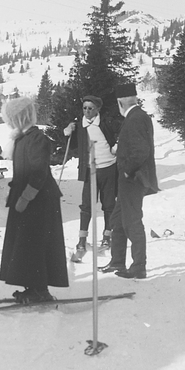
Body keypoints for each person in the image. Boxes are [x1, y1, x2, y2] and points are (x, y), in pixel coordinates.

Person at [0, 96, 71, 302]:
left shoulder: (37, 139)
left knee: (37, 245)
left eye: (12, 118)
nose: (9, 123)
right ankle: (33, 286)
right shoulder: (21, 139)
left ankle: (41, 290)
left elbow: (38, 173)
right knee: (26, 245)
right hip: (27, 200)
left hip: (39, 200)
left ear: (21, 117)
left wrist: (25, 197)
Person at [102, 82, 159, 279]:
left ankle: (138, 267)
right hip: (132, 179)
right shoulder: (137, 117)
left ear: (120, 103)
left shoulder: (135, 119)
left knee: (132, 222)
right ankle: (117, 261)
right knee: (117, 220)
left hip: (133, 179)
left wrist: (127, 170)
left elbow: (140, 150)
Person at [63, 94, 119, 262]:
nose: (87, 112)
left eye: (90, 108)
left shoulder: (105, 122)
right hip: (90, 169)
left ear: (97, 109)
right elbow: (72, 146)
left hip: (108, 167)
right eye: (84, 108)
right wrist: (68, 133)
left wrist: (117, 147)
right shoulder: (80, 125)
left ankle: (107, 236)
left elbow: (118, 135)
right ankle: (82, 239)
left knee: (108, 204)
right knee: (87, 205)